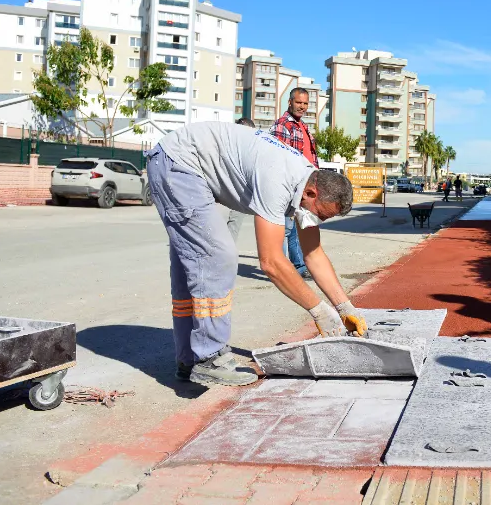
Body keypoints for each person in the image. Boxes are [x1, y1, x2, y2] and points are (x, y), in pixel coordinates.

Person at [145, 121, 367, 387]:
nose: (317, 221)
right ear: (311, 192)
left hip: (185, 164)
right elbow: (271, 262)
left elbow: (313, 253)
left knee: (193, 265)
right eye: (320, 214)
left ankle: (191, 358)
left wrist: (344, 308)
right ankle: (209, 358)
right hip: (177, 163)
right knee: (217, 256)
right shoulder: (278, 178)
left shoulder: (307, 182)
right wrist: (319, 311)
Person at [269, 88, 319, 280]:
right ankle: (281, 270)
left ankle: (298, 267)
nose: (302, 107)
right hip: (288, 185)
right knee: (284, 228)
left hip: (302, 185)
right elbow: (279, 158)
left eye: (305, 103)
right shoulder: (283, 125)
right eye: (299, 103)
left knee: (297, 229)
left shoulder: (302, 126)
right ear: (290, 102)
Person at [225, 117, 256, 243]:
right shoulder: (232, 146)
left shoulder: (254, 146)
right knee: (234, 221)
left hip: (255, 189)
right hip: (240, 190)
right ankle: (226, 253)